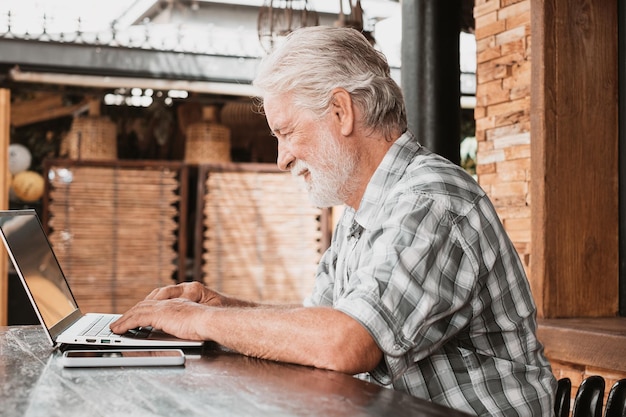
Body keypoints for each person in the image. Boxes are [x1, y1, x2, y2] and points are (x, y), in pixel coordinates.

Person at [111, 26, 556, 416]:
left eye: (285, 133)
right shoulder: (364, 209)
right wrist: (222, 308)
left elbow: (345, 343)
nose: (282, 158)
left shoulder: (431, 200)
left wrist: (197, 322)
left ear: (341, 112)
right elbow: (321, 323)